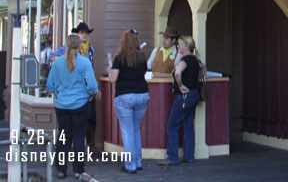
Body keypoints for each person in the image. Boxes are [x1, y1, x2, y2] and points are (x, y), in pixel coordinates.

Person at [46, 34, 98, 179]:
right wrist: (90, 95)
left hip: (62, 105)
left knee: (63, 137)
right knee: (79, 137)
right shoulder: (85, 63)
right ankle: (78, 170)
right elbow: (93, 86)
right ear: (79, 46)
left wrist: (59, 94)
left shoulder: (57, 64)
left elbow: (50, 86)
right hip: (80, 104)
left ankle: (61, 170)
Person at [50, 23, 102, 158]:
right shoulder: (64, 53)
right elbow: (52, 57)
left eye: (86, 32)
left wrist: (93, 91)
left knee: (91, 119)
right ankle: (73, 163)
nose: (84, 35)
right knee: (72, 132)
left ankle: (89, 147)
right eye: (82, 32)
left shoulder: (90, 50)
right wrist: (65, 63)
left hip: (82, 95)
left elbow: (50, 85)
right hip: (74, 95)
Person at [157, 35, 205, 167]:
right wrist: (194, 79)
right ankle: (189, 156)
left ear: (186, 46)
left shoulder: (185, 60)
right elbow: (204, 70)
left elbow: (178, 73)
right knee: (188, 125)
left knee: (172, 126)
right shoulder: (195, 59)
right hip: (194, 94)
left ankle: (172, 157)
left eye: (179, 44)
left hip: (184, 96)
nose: (177, 46)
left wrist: (180, 85)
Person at [108, 29, 150, 174]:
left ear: (123, 41)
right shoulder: (142, 58)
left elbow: (113, 78)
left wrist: (109, 70)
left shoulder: (119, 58)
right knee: (136, 129)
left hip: (125, 96)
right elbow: (144, 73)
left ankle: (130, 165)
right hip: (142, 95)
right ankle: (138, 162)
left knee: (127, 132)